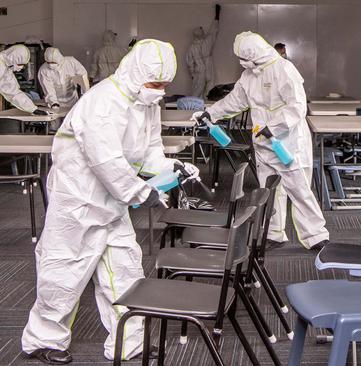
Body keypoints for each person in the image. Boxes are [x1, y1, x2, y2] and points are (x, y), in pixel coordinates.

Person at [21, 39, 200, 364]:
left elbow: (149, 152)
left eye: (164, 85)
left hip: (113, 201)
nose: (159, 90)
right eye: (155, 83)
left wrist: (172, 168)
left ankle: (128, 343)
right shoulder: (104, 102)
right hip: (78, 200)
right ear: (135, 73)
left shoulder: (147, 105)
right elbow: (107, 161)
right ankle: (42, 340)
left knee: (125, 269)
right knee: (63, 269)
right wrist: (139, 192)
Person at [194, 31, 329, 250]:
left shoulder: (284, 70)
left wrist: (272, 126)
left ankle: (316, 236)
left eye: (246, 59)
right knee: (268, 190)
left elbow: (297, 107)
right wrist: (212, 113)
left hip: (288, 143)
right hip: (263, 144)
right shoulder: (249, 75)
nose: (243, 63)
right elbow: (235, 101)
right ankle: (273, 232)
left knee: (299, 190)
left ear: (257, 54)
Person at [0, 44, 48, 115]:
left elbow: (14, 93)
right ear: (13, 58)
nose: (21, 68)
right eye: (20, 64)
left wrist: (32, 108)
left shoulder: (6, 70)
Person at [186, 5, 220, 98]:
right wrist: (217, 16)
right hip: (206, 67)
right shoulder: (207, 42)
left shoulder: (192, 47)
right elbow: (214, 31)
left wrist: (192, 73)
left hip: (200, 70)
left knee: (198, 91)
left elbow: (190, 62)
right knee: (208, 89)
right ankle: (208, 108)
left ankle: (195, 108)